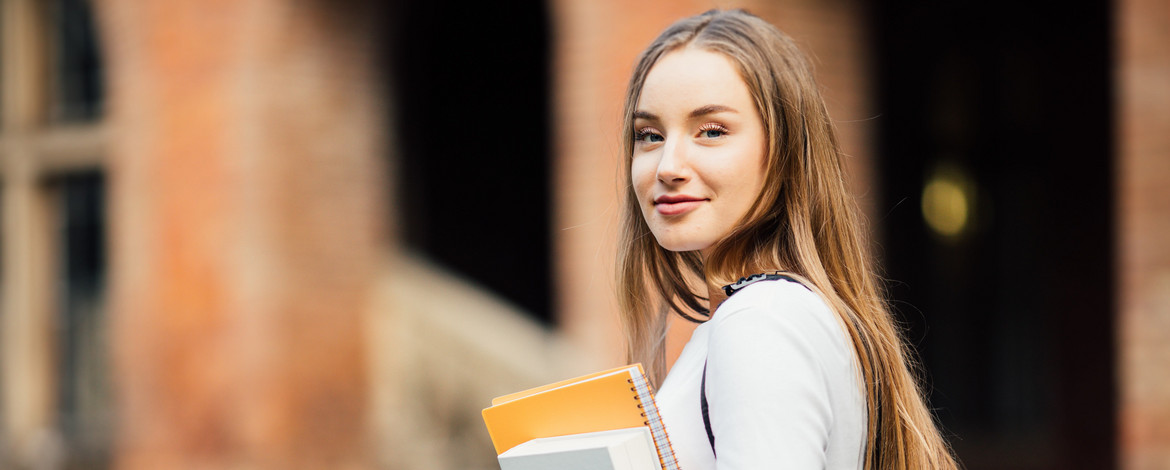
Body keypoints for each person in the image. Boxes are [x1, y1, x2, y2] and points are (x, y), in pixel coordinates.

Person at [616, 9, 959, 469]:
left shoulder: (759, 321)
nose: (668, 166)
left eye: (712, 131)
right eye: (650, 135)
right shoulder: (772, 314)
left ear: (785, 152)